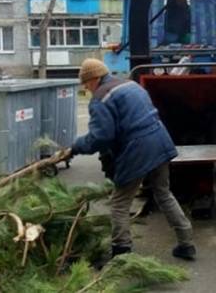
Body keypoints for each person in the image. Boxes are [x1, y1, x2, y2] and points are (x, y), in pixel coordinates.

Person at [71, 58, 196, 260]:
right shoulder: (131, 85)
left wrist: (76, 147)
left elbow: (101, 137)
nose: (86, 88)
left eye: (86, 83)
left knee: (120, 203)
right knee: (163, 193)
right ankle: (186, 242)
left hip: (138, 149)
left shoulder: (101, 98)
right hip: (160, 139)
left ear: (94, 78)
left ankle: (121, 252)